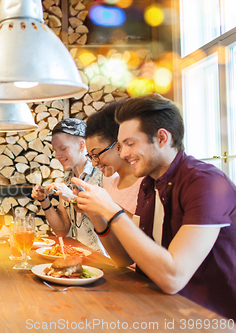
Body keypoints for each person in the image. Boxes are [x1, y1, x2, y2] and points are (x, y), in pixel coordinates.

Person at [72, 94, 236, 319]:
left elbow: (173, 278)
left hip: (208, 317)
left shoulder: (205, 182)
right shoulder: (150, 184)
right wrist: (97, 213)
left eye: (129, 144)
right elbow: (125, 260)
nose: (123, 153)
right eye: (120, 146)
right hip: (157, 308)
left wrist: (111, 210)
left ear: (161, 138)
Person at [31, 118, 106, 253]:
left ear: (81, 146)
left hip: (103, 260)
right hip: (80, 256)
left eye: (62, 148)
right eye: (55, 150)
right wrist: (44, 200)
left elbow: (110, 221)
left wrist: (72, 198)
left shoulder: (103, 175)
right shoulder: (67, 182)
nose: (57, 155)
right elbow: (62, 230)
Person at [82, 102, 144, 266]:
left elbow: (140, 245)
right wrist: (94, 215)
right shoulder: (114, 184)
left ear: (118, 145)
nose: (94, 163)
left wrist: (107, 206)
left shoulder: (146, 184)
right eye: (90, 157)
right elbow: (121, 259)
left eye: (96, 155)